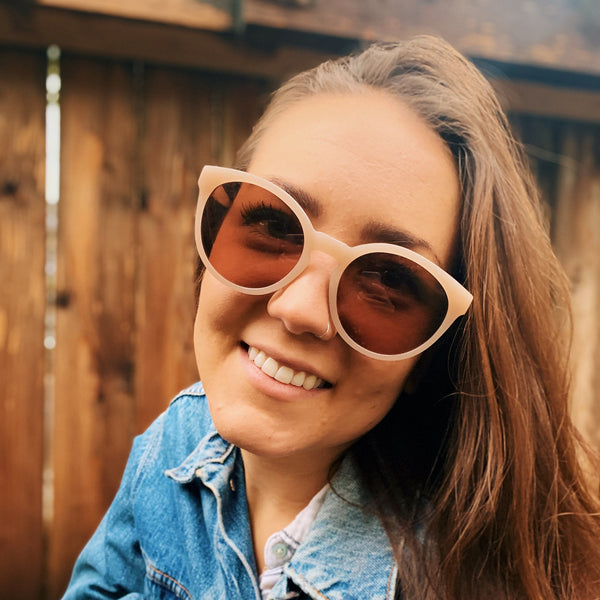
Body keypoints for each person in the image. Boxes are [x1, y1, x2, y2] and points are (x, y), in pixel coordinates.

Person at [62, 35, 600, 600]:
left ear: (434, 351)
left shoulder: (471, 578)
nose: (298, 309)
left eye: (387, 280)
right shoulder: (173, 441)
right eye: (273, 225)